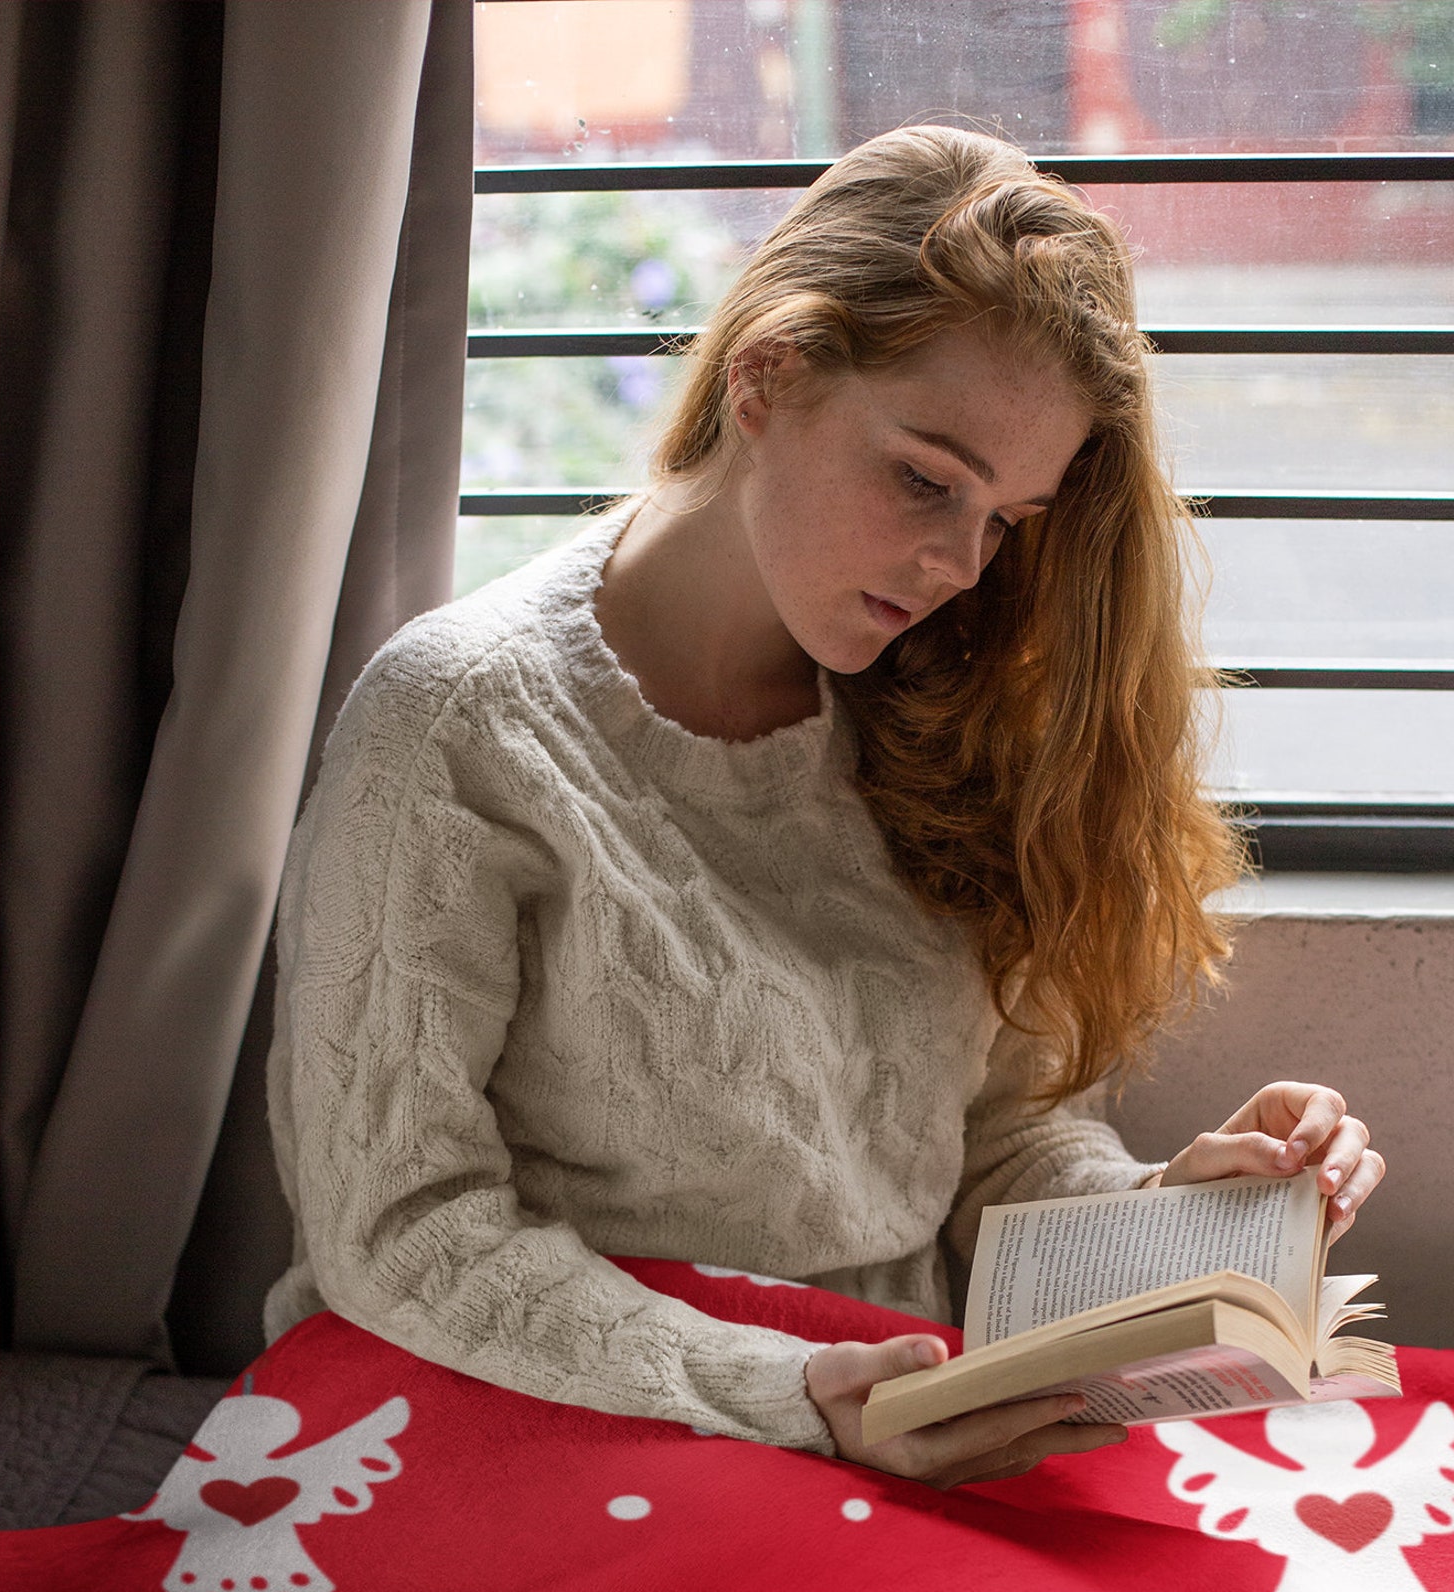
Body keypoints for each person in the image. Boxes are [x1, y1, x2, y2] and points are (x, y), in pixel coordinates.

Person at [265, 126, 1383, 1493]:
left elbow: (995, 1147)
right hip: (549, 1421)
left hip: (896, 1417)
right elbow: (401, 1229)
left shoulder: (949, 709)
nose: (957, 564)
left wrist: (1164, 1220)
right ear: (765, 376)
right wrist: (789, 1391)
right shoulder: (455, 729)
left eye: (1006, 521)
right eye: (926, 479)